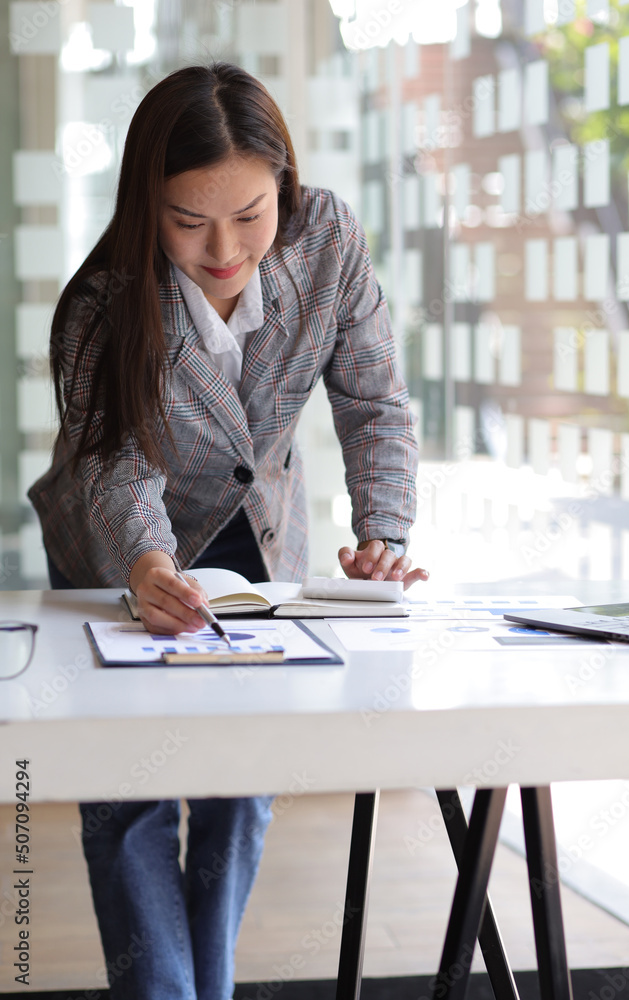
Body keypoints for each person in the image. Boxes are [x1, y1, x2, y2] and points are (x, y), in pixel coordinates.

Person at [29, 62, 427, 999]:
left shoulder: (324, 235)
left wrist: (386, 533)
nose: (223, 250)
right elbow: (111, 463)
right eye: (187, 221)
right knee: (129, 799)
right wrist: (146, 555)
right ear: (146, 206)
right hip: (118, 548)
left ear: (283, 185)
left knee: (239, 792)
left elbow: (373, 399)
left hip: (259, 543)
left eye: (250, 215)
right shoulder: (99, 306)